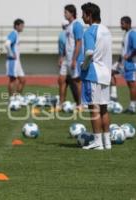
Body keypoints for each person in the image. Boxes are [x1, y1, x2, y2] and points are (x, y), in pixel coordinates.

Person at [81, 3, 112, 150]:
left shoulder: (89, 31)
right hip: (106, 73)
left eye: (83, 14)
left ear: (89, 14)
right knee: (104, 108)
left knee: (94, 108)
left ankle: (97, 142)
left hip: (93, 73)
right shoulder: (107, 30)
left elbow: (88, 52)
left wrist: (84, 66)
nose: (82, 17)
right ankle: (107, 142)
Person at [55, 5, 84, 112]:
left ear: (72, 13)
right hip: (66, 58)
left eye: (66, 12)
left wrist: (74, 59)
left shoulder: (77, 25)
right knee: (61, 80)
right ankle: (60, 104)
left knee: (77, 81)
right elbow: (66, 44)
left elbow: (78, 43)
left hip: (74, 58)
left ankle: (80, 105)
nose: (64, 14)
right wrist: (61, 57)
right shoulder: (69, 26)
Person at [5, 18, 26, 103]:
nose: (23, 28)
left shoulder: (16, 34)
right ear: (17, 26)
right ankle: (11, 99)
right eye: (22, 26)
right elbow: (7, 44)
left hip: (17, 61)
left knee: (23, 80)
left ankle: (17, 97)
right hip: (12, 61)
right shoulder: (13, 33)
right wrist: (11, 54)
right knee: (12, 80)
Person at [120, 16, 136, 113]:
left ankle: (133, 106)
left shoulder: (132, 34)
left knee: (133, 85)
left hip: (132, 64)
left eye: (122, 23)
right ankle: (131, 106)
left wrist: (129, 56)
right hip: (126, 64)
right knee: (130, 84)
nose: (121, 25)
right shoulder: (126, 34)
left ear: (128, 24)